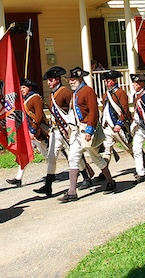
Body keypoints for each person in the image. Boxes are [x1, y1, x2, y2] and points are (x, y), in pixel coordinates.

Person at [34, 67, 93, 197]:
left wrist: (69, 127)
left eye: (50, 80)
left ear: (57, 79)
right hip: (56, 130)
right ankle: (48, 186)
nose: (48, 83)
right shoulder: (52, 93)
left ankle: (86, 178)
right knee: (51, 157)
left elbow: (73, 109)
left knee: (74, 154)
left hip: (66, 129)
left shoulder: (65, 92)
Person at [58, 67, 116, 202]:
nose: (71, 82)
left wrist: (90, 129)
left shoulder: (88, 91)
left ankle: (110, 180)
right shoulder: (75, 93)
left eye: (73, 80)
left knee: (96, 158)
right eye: (70, 80)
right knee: (73, 158)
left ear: (80, 79)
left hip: (86, 130)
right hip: (76, 131)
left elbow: (93, 111)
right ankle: (72, 192)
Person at [6, 79, 48, 187]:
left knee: (46, 154)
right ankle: (18, 178)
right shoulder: (22, 100)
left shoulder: (35, 98)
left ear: (30, 88)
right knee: (24, 153)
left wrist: (33, 131)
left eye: (24, 87)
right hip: (28, 132)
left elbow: (38, 116)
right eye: (20, 88)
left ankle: (51, 173)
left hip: (37, 132)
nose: (21, 89)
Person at [99, 70, 131, 172]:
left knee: (128, 147)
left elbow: (124, 110)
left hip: (117, 125)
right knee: (107, 149)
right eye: (105, 81)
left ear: (113, 81)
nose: (106, 83)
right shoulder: (106, 94)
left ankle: (142, 162)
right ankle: (104, 172)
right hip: (107, 126)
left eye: (107, 81)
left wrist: (119, 123)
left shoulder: (120, 93)